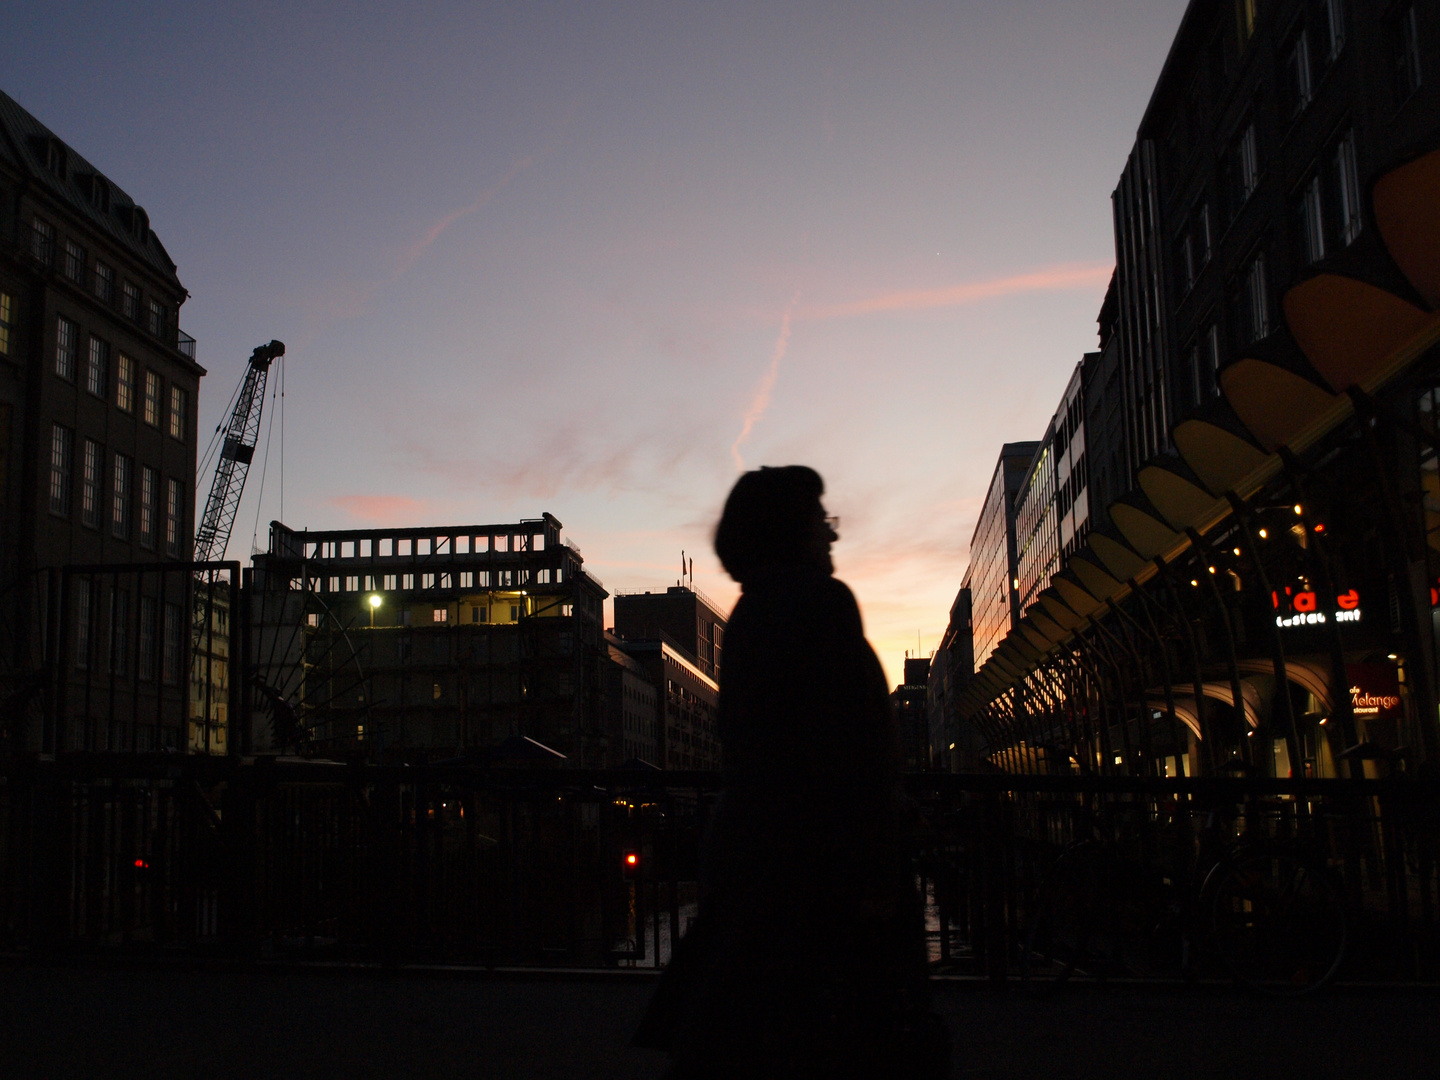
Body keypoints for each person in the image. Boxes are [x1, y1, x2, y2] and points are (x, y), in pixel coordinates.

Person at [633, 466, 948, 1079]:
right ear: (791, 532)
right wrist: (877, 864)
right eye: (819, 522)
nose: (831, 537)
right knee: (853, 1026)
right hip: (821, 865)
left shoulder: (752, 616)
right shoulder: (820, 606)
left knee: (754, 1026)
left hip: (758, 856)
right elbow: (847, 749)